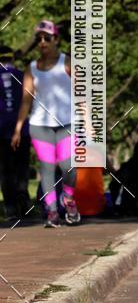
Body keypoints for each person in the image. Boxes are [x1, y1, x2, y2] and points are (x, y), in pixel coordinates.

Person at [11, 21, 79, 227]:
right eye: (39, 38)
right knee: (47, 168)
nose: (42, 42)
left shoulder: (68, 62)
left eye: (47, 38)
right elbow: (26, 101)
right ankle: (52, 212)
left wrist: (88, 121)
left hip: (68, 123)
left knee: (68, 167)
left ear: (56, 39)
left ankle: (68, 199)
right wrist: (18, 128)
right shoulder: (31, 68)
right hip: (40, 124)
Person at [0, 45, 31, 220]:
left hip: (2, 131)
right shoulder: (23, 76)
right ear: (12, 58)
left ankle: (11, 209)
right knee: (22, 168)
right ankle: (23, 200)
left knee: (6, 171)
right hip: (22, 130)